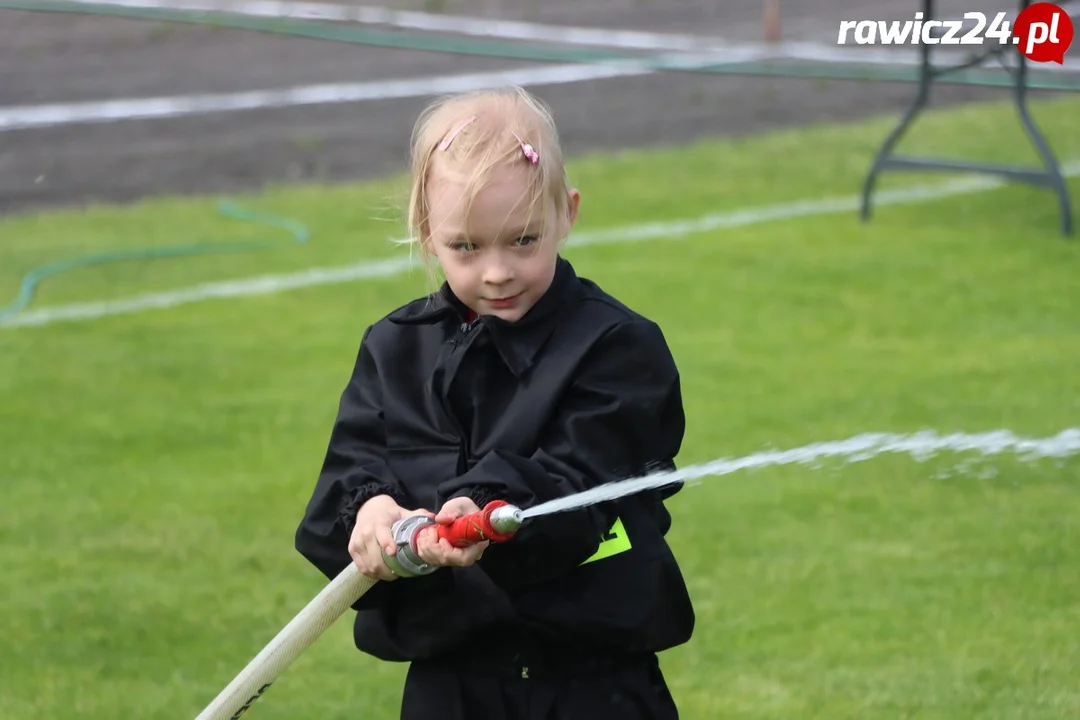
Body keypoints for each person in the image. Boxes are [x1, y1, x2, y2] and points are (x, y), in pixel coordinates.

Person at [294, 85, 695, 720]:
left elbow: (581, 476)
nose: (498, 271)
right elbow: (347, 478)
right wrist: (371, 513)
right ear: (428, 234)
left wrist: (479, 510)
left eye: (524, 240)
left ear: (568, 213)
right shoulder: (395, 349)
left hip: (589, 680)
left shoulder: (619, 348)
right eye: (467, 247)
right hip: (450, 683)